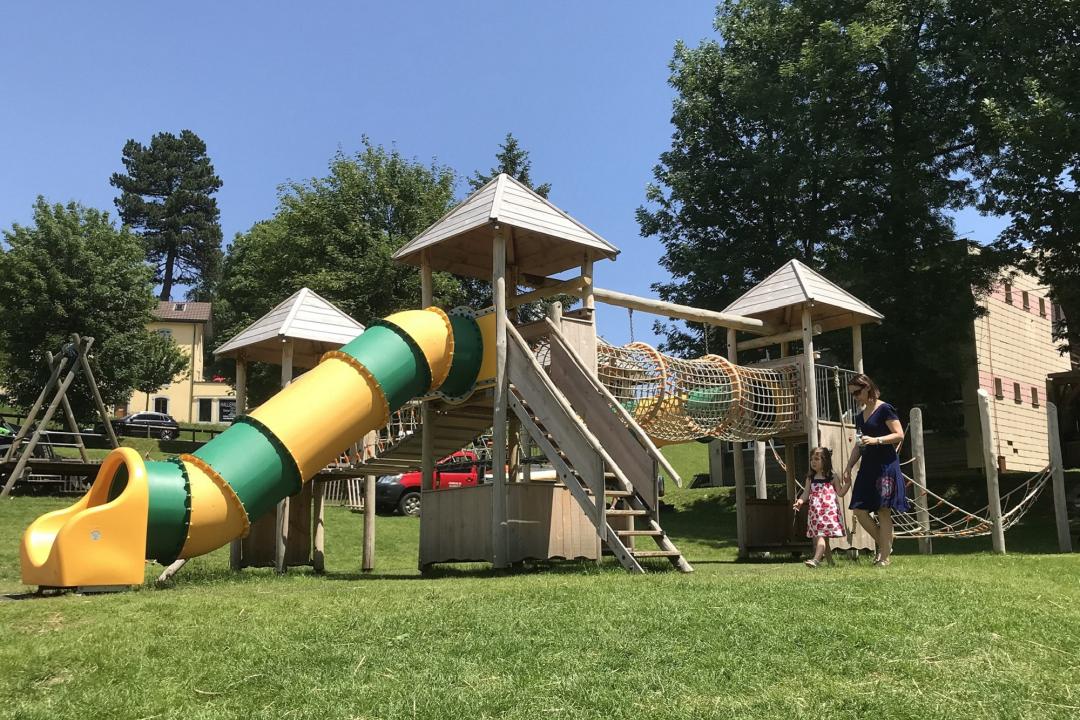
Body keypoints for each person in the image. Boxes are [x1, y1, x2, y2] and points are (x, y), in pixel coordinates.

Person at [843, 373, 908, 566]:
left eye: (856, 393)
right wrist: (849, 465)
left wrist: (877, 440)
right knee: (858, 509)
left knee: (883, 510)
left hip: (885, 466)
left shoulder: (885, 409)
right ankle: (885, 546)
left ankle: (884, 557)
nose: (855, 397)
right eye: (852, 394)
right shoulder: (859, 416)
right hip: (868, 465)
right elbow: (859, 444)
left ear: (867, 388)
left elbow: (899, 435)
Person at [793, 447, 847, 567]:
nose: (813, 461)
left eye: (817, 459)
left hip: (829, 514)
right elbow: (806, 493)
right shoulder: (810, 478)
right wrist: (800, 501)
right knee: (824, 538)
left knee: (821, 536)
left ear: (825, 461)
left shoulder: (832, 477)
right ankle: (831, 563)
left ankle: (816, 560)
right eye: (811, 459)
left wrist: (848, 483)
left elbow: (841, 493)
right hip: (816, 514)